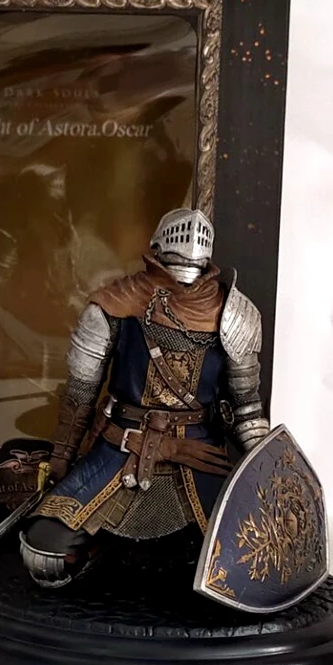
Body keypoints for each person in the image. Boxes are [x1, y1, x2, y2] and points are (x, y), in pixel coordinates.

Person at [20, 207, 270, 587]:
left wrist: (266, 471)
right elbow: (80, 398)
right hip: (121, 450)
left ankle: (154, 557)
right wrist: (61, 458)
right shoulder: (113, 305)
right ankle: (107, 549)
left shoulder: (235, 314)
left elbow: (247, 409)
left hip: (200, 456)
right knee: (43, 553)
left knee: (245, 559)